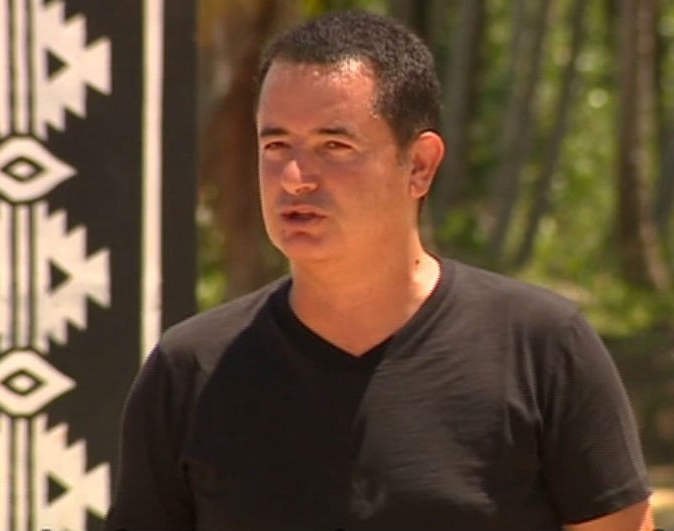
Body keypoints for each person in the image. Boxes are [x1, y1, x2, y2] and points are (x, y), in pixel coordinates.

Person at [104, 9, 658, 531]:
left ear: (419, 165)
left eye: (334, 145)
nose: (295, 177)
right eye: (276, 145)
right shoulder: (190, 371)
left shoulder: (542, 349)